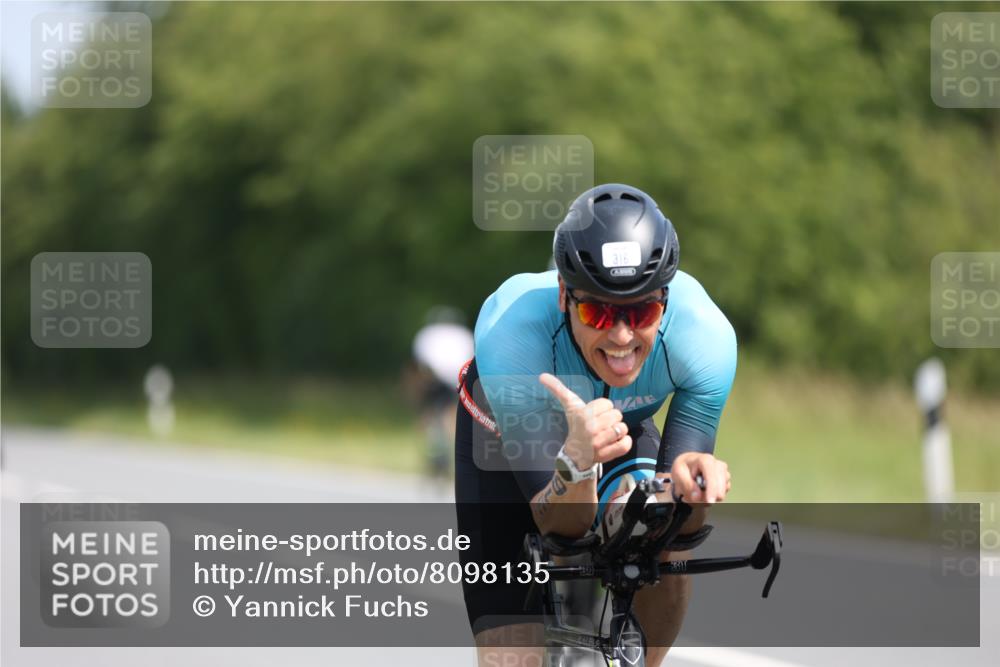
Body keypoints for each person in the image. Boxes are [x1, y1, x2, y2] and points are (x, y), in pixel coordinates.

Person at [454, 183, 737, 666]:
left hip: (620, 427)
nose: (622, 336)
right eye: (598, 311)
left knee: (659, 525)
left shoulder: (705, 337)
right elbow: (555, 521)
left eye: (642, 311)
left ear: (665, 300)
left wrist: (690, 489)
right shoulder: (511, 330)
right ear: (565, 295)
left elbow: (679, 518)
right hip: (505, 441)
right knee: (512, 655)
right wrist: (577, 462)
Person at [407, 307, 474, 483]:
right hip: (457, 378)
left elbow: (420, 363)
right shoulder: (463, 334)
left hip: (435, 379)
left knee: (428, 413)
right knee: (452, 416)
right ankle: (451, 452)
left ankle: (432, 449)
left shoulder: (428, 333)